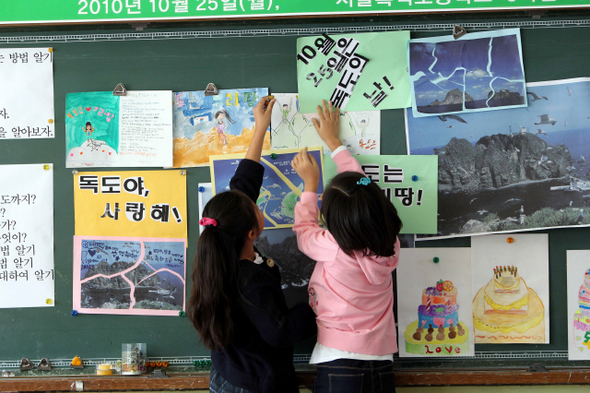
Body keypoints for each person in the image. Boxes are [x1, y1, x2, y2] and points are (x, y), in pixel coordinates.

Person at [187, 96, 317, 393]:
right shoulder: (250, 279)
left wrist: (260, 129)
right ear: (251, 233)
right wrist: (315, 307)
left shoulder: (223, 249)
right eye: (258, 209)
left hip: (229, 374)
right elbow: (280, 331)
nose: (260, 206)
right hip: (255, 384)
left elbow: (242, 188)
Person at [291, 100, 403, 393]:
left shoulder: (333, 246)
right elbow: (363, 192)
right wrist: (335, 143)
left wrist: (310, 188)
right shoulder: (389, 244)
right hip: (381, 360)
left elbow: (304, 232)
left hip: (338, 360)